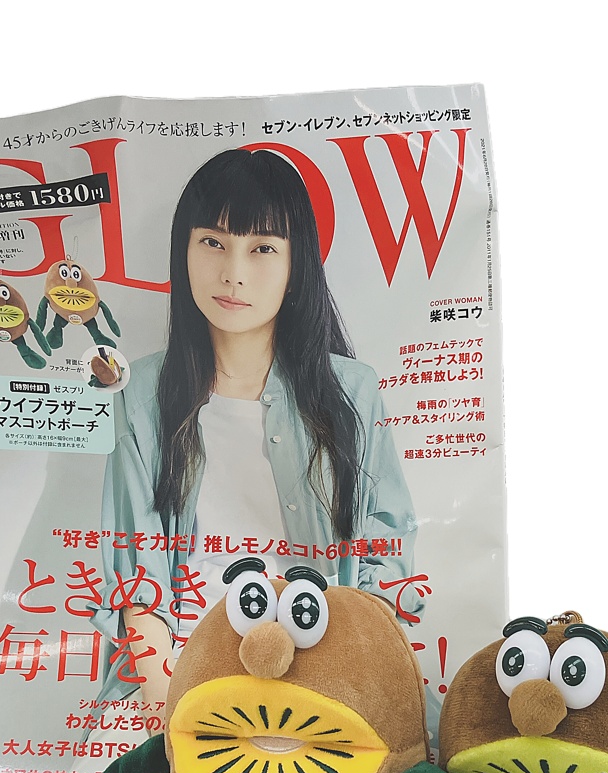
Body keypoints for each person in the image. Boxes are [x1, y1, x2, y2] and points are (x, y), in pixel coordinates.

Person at [96, 148, 421, 710]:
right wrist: (172, 721)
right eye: (213, 242)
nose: (234, 272)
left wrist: (346, 689)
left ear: (297, 265)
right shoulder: (139, 393)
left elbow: (384, 560)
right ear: (183, 250)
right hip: (182, 676)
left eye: (263, 248)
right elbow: (137, 587)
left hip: (323, 670)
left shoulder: (352, 391)